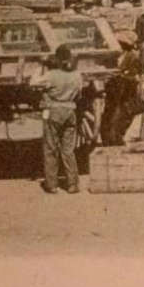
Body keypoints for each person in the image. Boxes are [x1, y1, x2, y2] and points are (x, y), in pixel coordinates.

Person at [31, 44, 83, 194]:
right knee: (68, 150)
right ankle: (73, 184)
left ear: (58, 59)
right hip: (70, 111)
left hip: (53, 111)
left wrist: (40, 66)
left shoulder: (51, 75)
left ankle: (52, 184)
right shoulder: (77, 75)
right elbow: (79, 95)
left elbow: (33, 83)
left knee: (50, 148)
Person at [100, 30, 144, 145]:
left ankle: (116, 138)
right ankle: (108, 138)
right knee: (109, 115)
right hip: (113, 90)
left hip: (126, 92)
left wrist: (123, 76)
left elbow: (135, 74)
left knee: (121, 116)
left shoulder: (133, 57)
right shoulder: (112, 56)